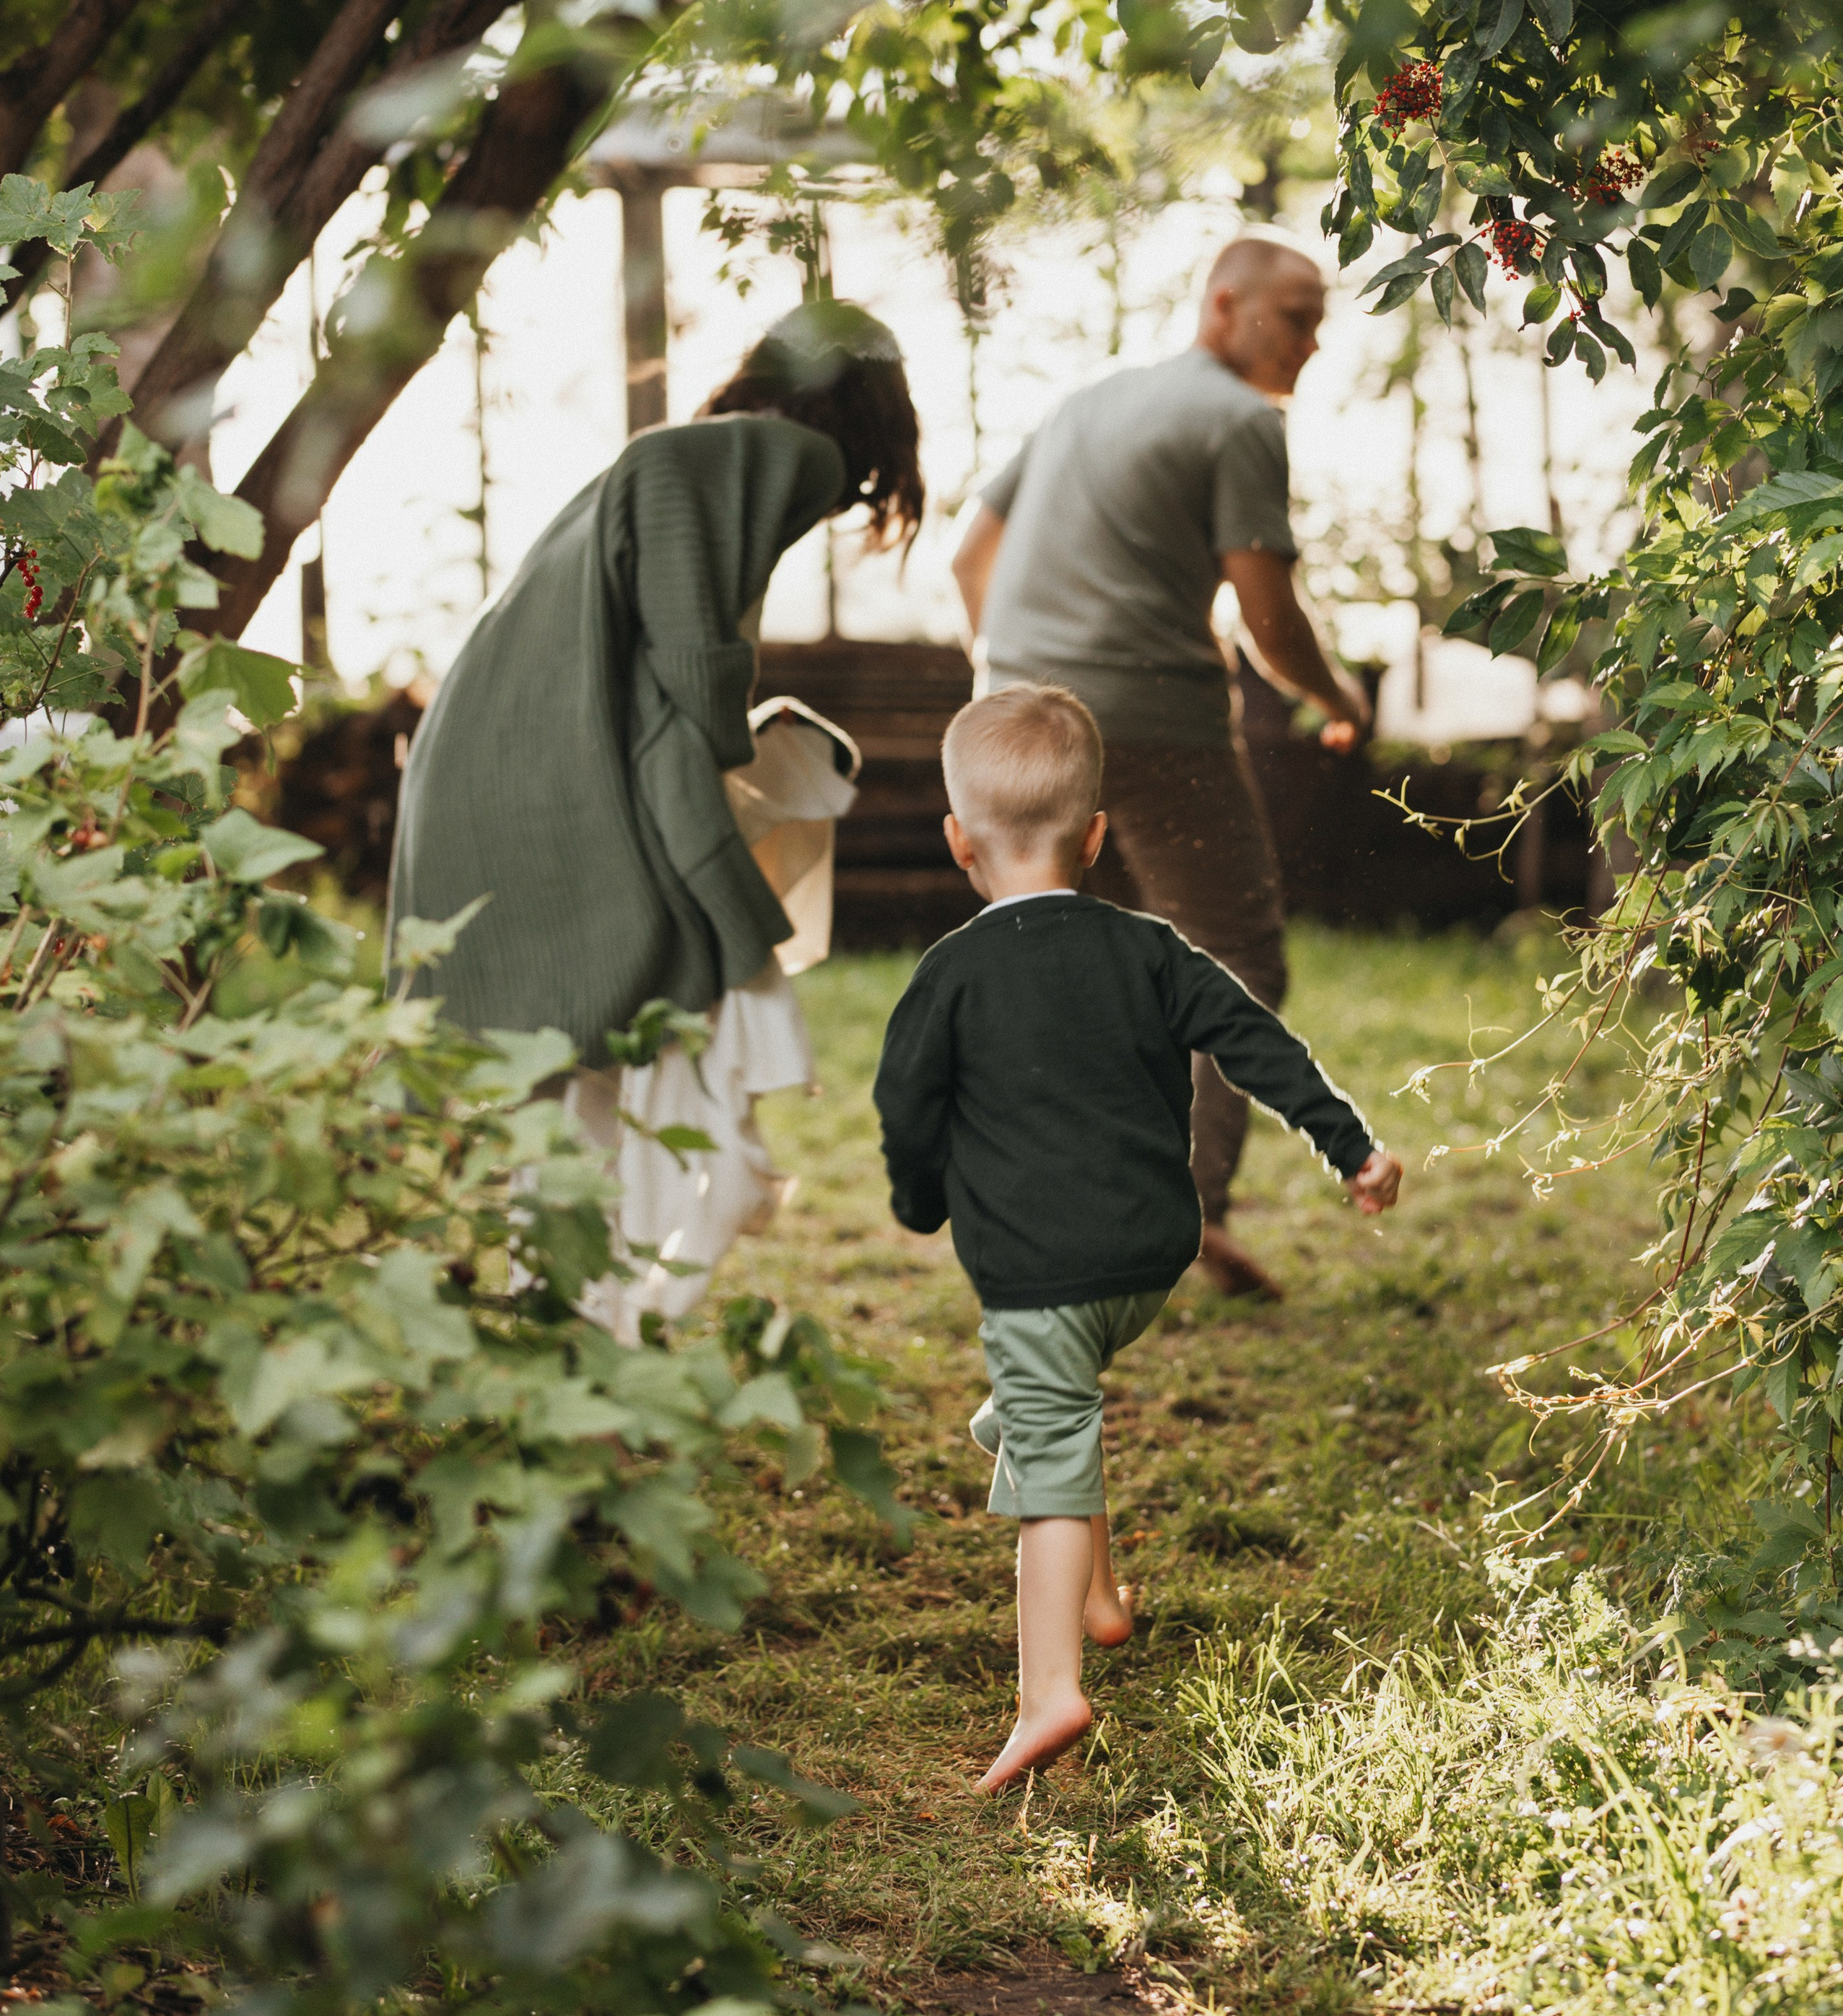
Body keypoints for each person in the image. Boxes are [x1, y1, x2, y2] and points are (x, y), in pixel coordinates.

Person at [873, 687, 1399, 1793]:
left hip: (1039, 1273)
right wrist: (1350, 1148)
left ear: (958, 840)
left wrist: (920, 1202)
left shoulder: (949, 976)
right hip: (1151, 1255)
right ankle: (1103, 1595)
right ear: (1099, 836)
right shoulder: (1154, 951)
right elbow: (1259, 1044)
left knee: (1048, 1456)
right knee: (1031, 1415)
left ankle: (1050, 1688)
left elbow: (906, 1110)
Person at [389, 300, 923, 1337]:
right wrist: (737, 812)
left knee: (559, 1073)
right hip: (564, 783)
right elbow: (690, 684)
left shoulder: (681, 458)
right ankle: (586, 1320)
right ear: (867, 420)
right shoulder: (780, 459)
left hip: (478, 772)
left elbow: (664, 678)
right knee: (613, 1042)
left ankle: (551, 1314)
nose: (840, 501)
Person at [951, 230, 1369, 1302]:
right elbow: (1268, 618)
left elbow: (969, 556)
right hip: (1157, 725)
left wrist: (1006, 684)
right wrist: (1338, 699)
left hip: (1023, 727)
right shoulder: (1239, 421)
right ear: (1223, 305)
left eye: (1322, 320)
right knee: (1230, 965)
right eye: (1297, 316)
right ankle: (1183, 1213)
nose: (1314, 342)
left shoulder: (1085, 403)